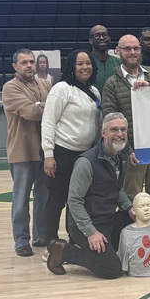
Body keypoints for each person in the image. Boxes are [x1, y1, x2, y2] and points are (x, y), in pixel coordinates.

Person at [46, 113, 137, 279]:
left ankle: (105, 250)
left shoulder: (121, 157)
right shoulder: (86, 162)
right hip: (86, 225)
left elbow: (117, 189)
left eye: (123, 129)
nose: (120, 134)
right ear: (103, 133)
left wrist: (129, 207)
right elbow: (74, 200)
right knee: (113, 270)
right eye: (114, 129)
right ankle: (64, 251)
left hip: (108, 219)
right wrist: (91, 232)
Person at [101, 34, 150, 219]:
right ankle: (135, 241)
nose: (132, 52)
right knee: (131, 198)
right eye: (127, 49)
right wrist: (128, 149)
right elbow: (110, 119)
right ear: (118, 51)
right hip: (131, 152)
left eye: (136, 48)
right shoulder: (112, 83)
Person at [40, 48, 102, 244]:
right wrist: (49, 154)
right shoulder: (61, 89)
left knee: (79, 199)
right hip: (62, 153)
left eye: (88, 63)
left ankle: (76, 239)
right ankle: (51, 241)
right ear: (72, 67)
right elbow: (48, 121)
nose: (85, 67)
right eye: (80, 63)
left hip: (86, 155)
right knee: (57, 199)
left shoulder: (94, 91)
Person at [1, 49, 50, 256]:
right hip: (21, 151)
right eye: (24, 63)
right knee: (21, 199)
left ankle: (41, 236)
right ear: (15, 66)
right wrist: (42, 106)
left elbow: (45, 109)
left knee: (43, 197)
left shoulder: (44, 83)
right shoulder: (10, 88)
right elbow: (31, 112)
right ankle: (21, 240)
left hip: (44, 150)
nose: (29, 65)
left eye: (32, 61)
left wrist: (41, 105)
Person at [88, 24, 120, 93]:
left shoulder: (119, 62)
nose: (101, 38)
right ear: (90, 40)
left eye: (104, 35)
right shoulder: (86, 63)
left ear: (109, 38)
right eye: (97, 36)